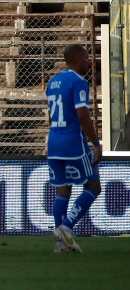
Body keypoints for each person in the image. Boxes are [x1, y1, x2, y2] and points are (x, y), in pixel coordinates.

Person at [47, 43, 102, 253]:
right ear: (77, 59)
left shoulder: (52, 82)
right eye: (87, 58)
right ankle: (66, 227)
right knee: (94, 187)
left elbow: (51, 117)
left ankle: (60, 244)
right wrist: (96, 144)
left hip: (54, 143)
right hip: (73, 144)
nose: (89, 62)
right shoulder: (78, 82)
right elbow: (82, 115)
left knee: (63, 191)